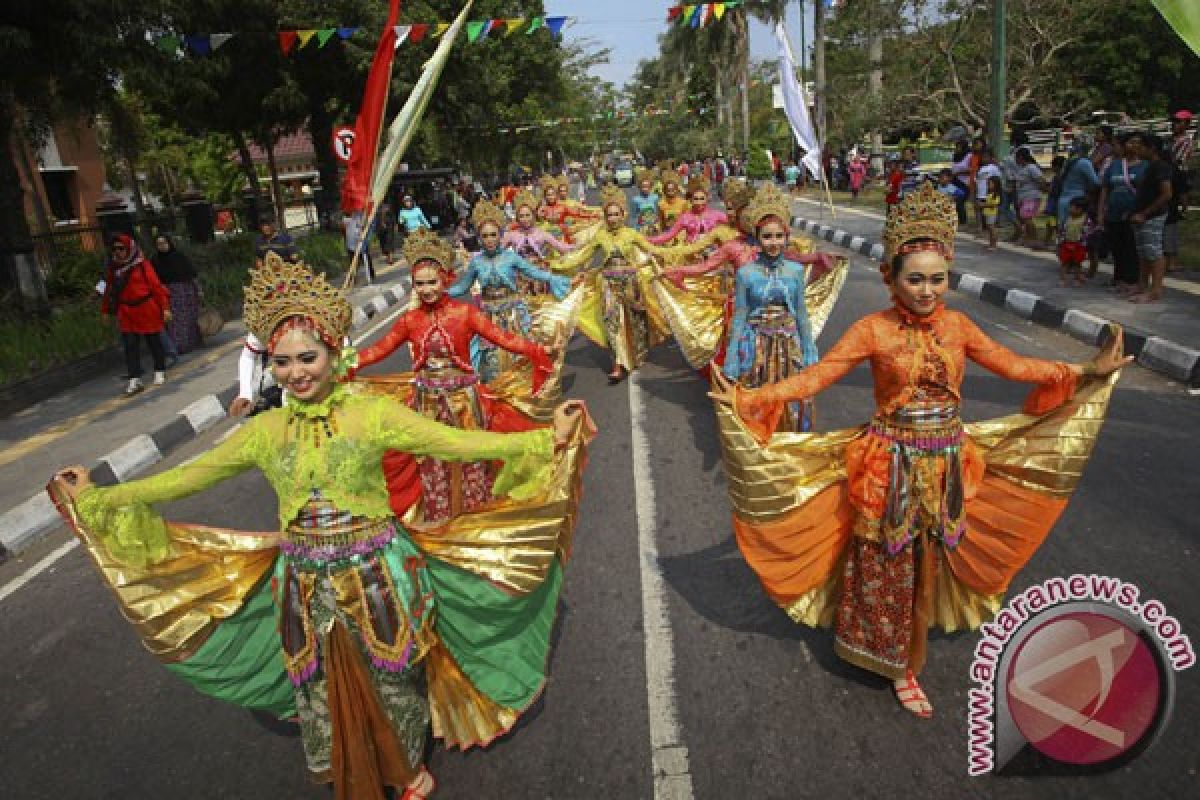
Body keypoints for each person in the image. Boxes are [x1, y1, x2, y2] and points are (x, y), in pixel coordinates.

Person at [51, 253, 592, 800]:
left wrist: (544, 437)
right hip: (303, 581)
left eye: (307, 358)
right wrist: (100, 496)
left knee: (394, 679)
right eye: (282, 363)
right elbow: (186, 477)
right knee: (314, 684)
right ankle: (345, 760)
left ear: (335, 354)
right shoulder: (265, 431)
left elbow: (459, 443)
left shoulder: (372, 414)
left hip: (377, 571)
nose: (295, 373)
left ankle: (404, 770)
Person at [708, 182, 1131, 718]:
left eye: (938, 279)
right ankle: (892, 657)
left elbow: (1017, 366)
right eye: (916, 279)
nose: (928, 290)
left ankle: (910, 657)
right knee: (886, 561)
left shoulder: (958, 327)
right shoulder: (872, 330)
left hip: (949, 461)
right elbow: (814, 378)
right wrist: (749, 397)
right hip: (888, 466)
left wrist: (1084, 370)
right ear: (890, 277)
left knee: (930, 560)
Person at [356, 229, 561, 525]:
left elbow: (504, 338)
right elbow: (378, 350)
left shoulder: (464, 313)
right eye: (420, 284)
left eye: (432, 282)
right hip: (426, 405)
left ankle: (472, 520)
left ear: (445, 280)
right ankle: (441, 523)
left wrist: (538, 349)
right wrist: (344, 365)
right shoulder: (410, 320)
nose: (426, 290)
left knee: (470, 457)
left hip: (464, 402)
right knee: (431, 463)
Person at [554, 185, 694, 383]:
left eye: (615, 214)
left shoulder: (631, 234)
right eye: (609, 215)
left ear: (623, 215)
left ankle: (635, 354)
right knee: (612, 323)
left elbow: (654, 249)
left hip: (631, 283)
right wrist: (556, 265)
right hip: (608, 285)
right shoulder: (600, 236)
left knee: (635, 321)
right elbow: (581, 256)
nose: (612, 218)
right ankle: (617, 365)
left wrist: (682, 253)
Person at [721, 184, 822, 432]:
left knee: (793, 401)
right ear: (757, 237)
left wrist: (809, 349)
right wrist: (732, 356)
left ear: (787, 237)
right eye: (767, 236)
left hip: (788, 344)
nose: (773, 243)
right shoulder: (746, 274)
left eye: (779, 236)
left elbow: (801, 313)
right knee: (758, 401)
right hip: (756, 346)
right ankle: (761, 446)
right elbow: (740, 315)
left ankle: (789, 448)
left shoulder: (796, 271)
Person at [448, 199, 570, 382]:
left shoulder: (511, 257)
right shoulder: (477, 262)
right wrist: (441, 293)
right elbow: (463, 286)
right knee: (493, 364)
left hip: (514, 315)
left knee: (520, 359)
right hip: (489, 319)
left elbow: (534, 272)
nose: (489, 240)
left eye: (493, 235)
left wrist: (553, 278)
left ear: (500, 235)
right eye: (485, 236)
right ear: (479, 238)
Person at [102, 234, 170, 396]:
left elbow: (156, 287)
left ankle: (159, 369)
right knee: (130, 345)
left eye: (121, 248)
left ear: (129, 248)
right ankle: (135, 378)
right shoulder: (114, 268)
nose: (118, 252)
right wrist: (105, 311)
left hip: (146, 308)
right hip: (126, 312)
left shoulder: (142, 265)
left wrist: (165, 308)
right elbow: (108, 290)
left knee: (153, 341)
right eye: (115, 249)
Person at [501, 188, 577, 294]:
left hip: (540, 275)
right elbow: (497, 251)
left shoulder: (542, 234)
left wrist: (578, 246)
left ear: (533, 216)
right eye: (521, 216)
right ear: (517, 218)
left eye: (528, 215)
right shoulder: (511, 235)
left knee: (540, 305)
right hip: (520, 276)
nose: (525, 219)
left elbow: (561, 247)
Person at [1127, 133, 1173, 304]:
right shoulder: (1149, 166)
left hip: (1152, 215)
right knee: (1144, 252)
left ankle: (1155, 290)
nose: (1137, 149)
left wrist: (1145, 213)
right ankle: (1142, 284)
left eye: (1141, 146)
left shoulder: (1160, 167)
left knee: (1153, 252)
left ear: (1151, 148)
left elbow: (1167, 193)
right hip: (1141, 214)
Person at [1097, 133, 1144, 290]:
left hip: (1132, 214)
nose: (1134, 146)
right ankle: (1118, 277)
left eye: (1137, 143)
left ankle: (1131, 280)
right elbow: (1105, 189)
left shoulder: (1144, 166)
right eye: (1131, 142)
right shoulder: (1115, 165)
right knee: (1116, 247)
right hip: (1113, 213)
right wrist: (1101, 212)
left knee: (1130, 247)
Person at [151, 234, 202, 355]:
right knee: (173, 321)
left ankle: (191, 343)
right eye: (159, 244)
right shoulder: (155, 260)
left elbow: (191, 273)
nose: (162, 246)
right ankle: (178, 346)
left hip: (185, 291)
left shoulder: (179, 257)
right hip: (167, 293)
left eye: (164, 243)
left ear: (169, 243)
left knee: (188, 317)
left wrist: (199, 289)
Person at [648, 175, 730, 247]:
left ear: (707, 199)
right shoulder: (685, 217)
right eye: (696, 199)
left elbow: (734, 223)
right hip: (691, 254)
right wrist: (645, 240)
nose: (699, 202)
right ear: (691, 200)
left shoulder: (716, 214)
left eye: (702, 198)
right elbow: (669, 235)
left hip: (712, 254)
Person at [1011, 147, 1046, 246]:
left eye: (1016, 158)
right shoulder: (1022, 169)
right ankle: (1027, 237)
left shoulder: (1031, 167)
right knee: (1024, 217)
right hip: (1023, 197)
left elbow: (1041, 179)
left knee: (1027, 217)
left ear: (1021, 157)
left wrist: (1043, 189)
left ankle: (1033, 237)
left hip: (1031, 196)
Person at [1058, 196, 1089, 287]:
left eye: (1072, 207)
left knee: (1077, 263)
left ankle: (1077, 279)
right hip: (1067, 243)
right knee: (1064, 263)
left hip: (1078, 245)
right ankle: (1063, 279)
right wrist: (1060, 242)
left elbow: (1087, 233)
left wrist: (1083, 244)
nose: (1069, 209)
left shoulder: (1085, 220)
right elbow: (1062, 230)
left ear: (1079, 209)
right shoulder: (1067, 218)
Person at [973, 149, 1002, 241]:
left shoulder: (993, 167)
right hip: (980, 194)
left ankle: (990, 233)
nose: (984, 159)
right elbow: (977, 182)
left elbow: (998, 179)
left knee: (988, 214)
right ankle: (979, 230)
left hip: (988, 194)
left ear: (991, 158)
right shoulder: (980, 169)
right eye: (983, 157)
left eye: (986, 157)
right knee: (978, 212)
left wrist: (995, 192)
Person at [343, 210, 373, 284]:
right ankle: (353, 278)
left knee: (366, 258)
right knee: (353, 261)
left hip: (360, 241)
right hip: (351, 242)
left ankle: (370, 274)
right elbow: (344, 230)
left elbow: (365, 223)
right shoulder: (345, 219)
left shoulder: (360, 214)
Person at [630, 169, 662, 233]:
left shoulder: (655, 197)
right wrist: (635, 230)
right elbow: (633, 217)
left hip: (654, 228)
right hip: (641, 229)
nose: (645, 189)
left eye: (647, 187)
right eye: (643, 187)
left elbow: (658, 213)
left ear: (651, 186)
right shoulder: (635, 200)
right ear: (639, 187)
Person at [981, 175, 1002, 250]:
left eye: (989, 183)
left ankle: (994, 245)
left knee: (992, 229)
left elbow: (994, 204)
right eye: (988, 184)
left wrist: (984, 205)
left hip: (992, 214)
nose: (988, 185)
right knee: (990, 229)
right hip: (987, 213)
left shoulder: (996, 195)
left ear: (995, 185)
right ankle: (991, 243)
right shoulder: (990, 193)